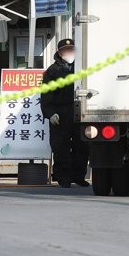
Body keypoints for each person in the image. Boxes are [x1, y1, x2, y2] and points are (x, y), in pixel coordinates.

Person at [41, 38, 89, 188]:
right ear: (60, 52)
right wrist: (50, 113)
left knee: (82, 146)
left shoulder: (82, 68)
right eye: (66, 50)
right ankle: (63, 177)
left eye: (71, 50)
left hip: (80, 110)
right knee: (60, 147)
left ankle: (79, 176)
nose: (69, 53)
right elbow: (46, 95)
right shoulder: (52, 71)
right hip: (60, 112)